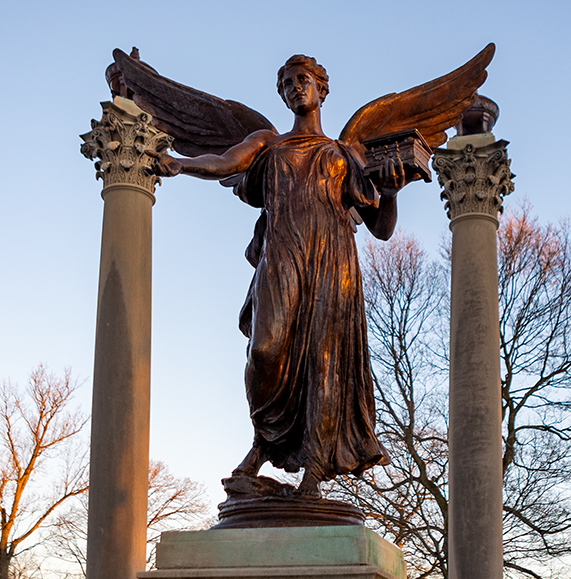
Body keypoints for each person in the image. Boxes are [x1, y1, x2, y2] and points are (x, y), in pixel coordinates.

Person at [152, 55, 404, 495]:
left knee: (323, 361)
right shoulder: (268, 142)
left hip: (331, 260)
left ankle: (315, 467)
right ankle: (264, 443)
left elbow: (381, 229)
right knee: (265, 352)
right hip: (282, 253)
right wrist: (182, 164)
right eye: (287, 83)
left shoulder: (345, 154)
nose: (295, 88)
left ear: (322, 89)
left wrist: (389, 191)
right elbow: (227, 162)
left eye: (303, 80)